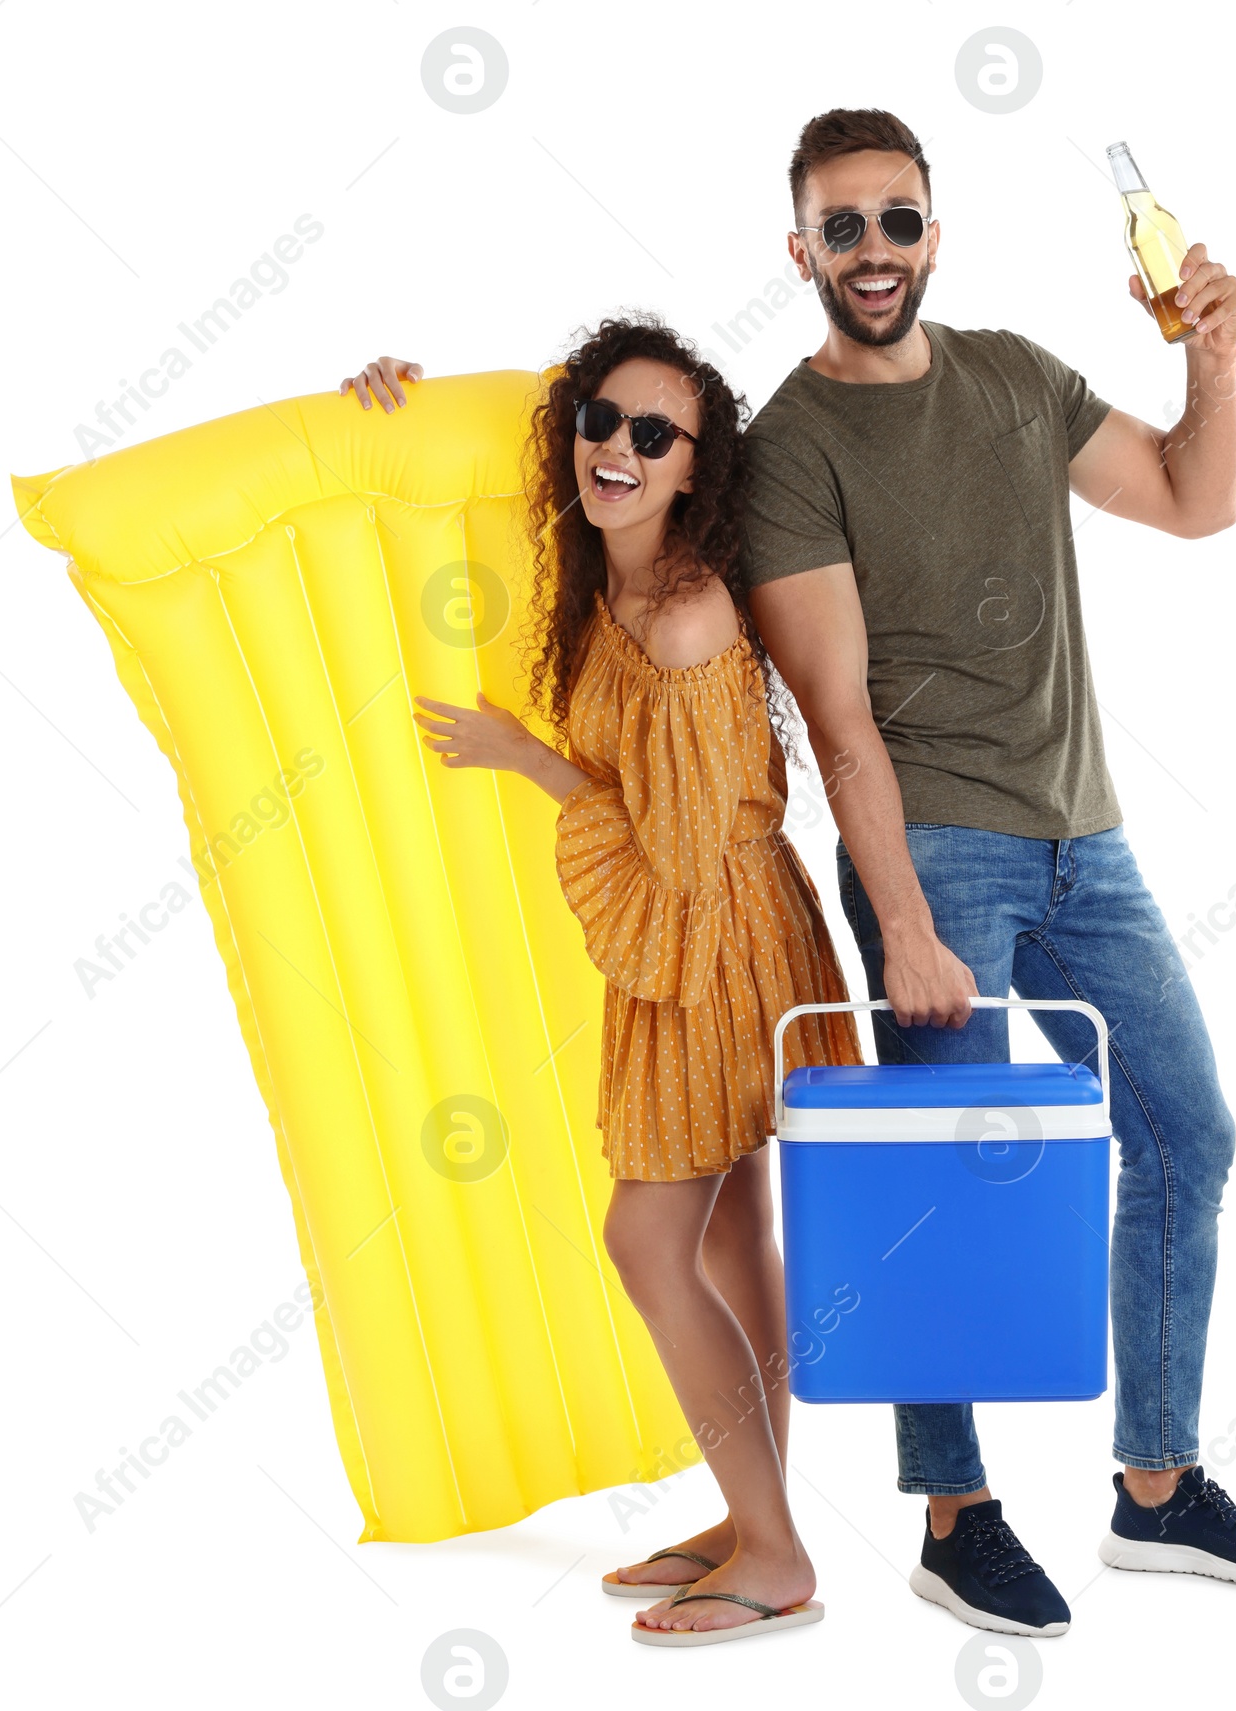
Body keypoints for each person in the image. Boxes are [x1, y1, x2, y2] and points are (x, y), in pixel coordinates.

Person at [341, 103, 1236, 1638]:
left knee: (1190, 1133)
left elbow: (1203, 502)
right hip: (934, 847)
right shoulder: (788, 445)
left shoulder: (1013, 375)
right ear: (798, 250)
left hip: (1091, 835)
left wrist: (1209, 350)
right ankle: (953, 1509)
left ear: (938, 234)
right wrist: (913, 925)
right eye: (842, 226)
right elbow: (840, 719)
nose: (872, 249)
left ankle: (1155, 1484)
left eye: (897, 220)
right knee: (935, 1182)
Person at [346, 318, 862, 1644]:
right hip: (700, 929)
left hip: (718, 937)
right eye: (599, 421)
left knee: (648, 1236)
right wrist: (388, 392)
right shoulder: (600, 563)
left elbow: (679, 856)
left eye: (654, 435)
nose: (614, 449)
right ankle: (759, 1519)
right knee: (733, 1232)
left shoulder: (687, 611)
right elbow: (508, 422)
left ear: (697, 468)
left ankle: (776, 1553)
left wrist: (529, 761)